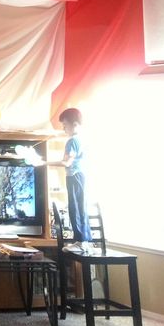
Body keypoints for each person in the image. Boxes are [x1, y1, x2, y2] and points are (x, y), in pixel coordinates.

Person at [45, 108, 92, 254]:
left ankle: (80, 242)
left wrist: (43, 163)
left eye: (65, 124)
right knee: (79, 206)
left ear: (75, 124)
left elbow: (66, 163)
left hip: (75, 176)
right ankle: (84, 241)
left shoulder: (72, 141)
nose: (64, 128)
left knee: (75, 207)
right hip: (79, 176)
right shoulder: (82, 139)